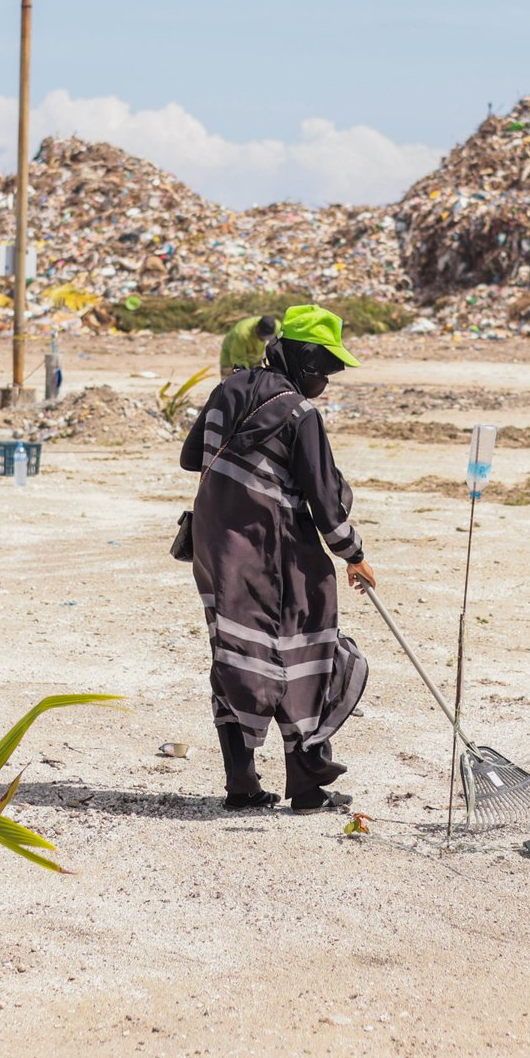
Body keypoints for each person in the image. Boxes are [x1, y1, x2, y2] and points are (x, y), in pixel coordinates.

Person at [181, 304, 376, 813]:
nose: (325, 384)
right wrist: (353, 554)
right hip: (276, 546)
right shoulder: (300, 414)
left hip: (217, 545)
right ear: (304, 362)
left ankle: (242, 784)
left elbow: (189, 456)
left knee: (235, 650)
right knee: (306, 646)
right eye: (324, 372)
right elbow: (325, 500)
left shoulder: (228, 388)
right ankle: (307, 787)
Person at [217, 313, 280, 380]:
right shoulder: (242, 333)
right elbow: (238, 359)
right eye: (262, 336)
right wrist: (245, 376)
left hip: (254, 359)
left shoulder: (277, 327)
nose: (263, 339)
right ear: (257, 328)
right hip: (231, 359)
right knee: (232, 383)